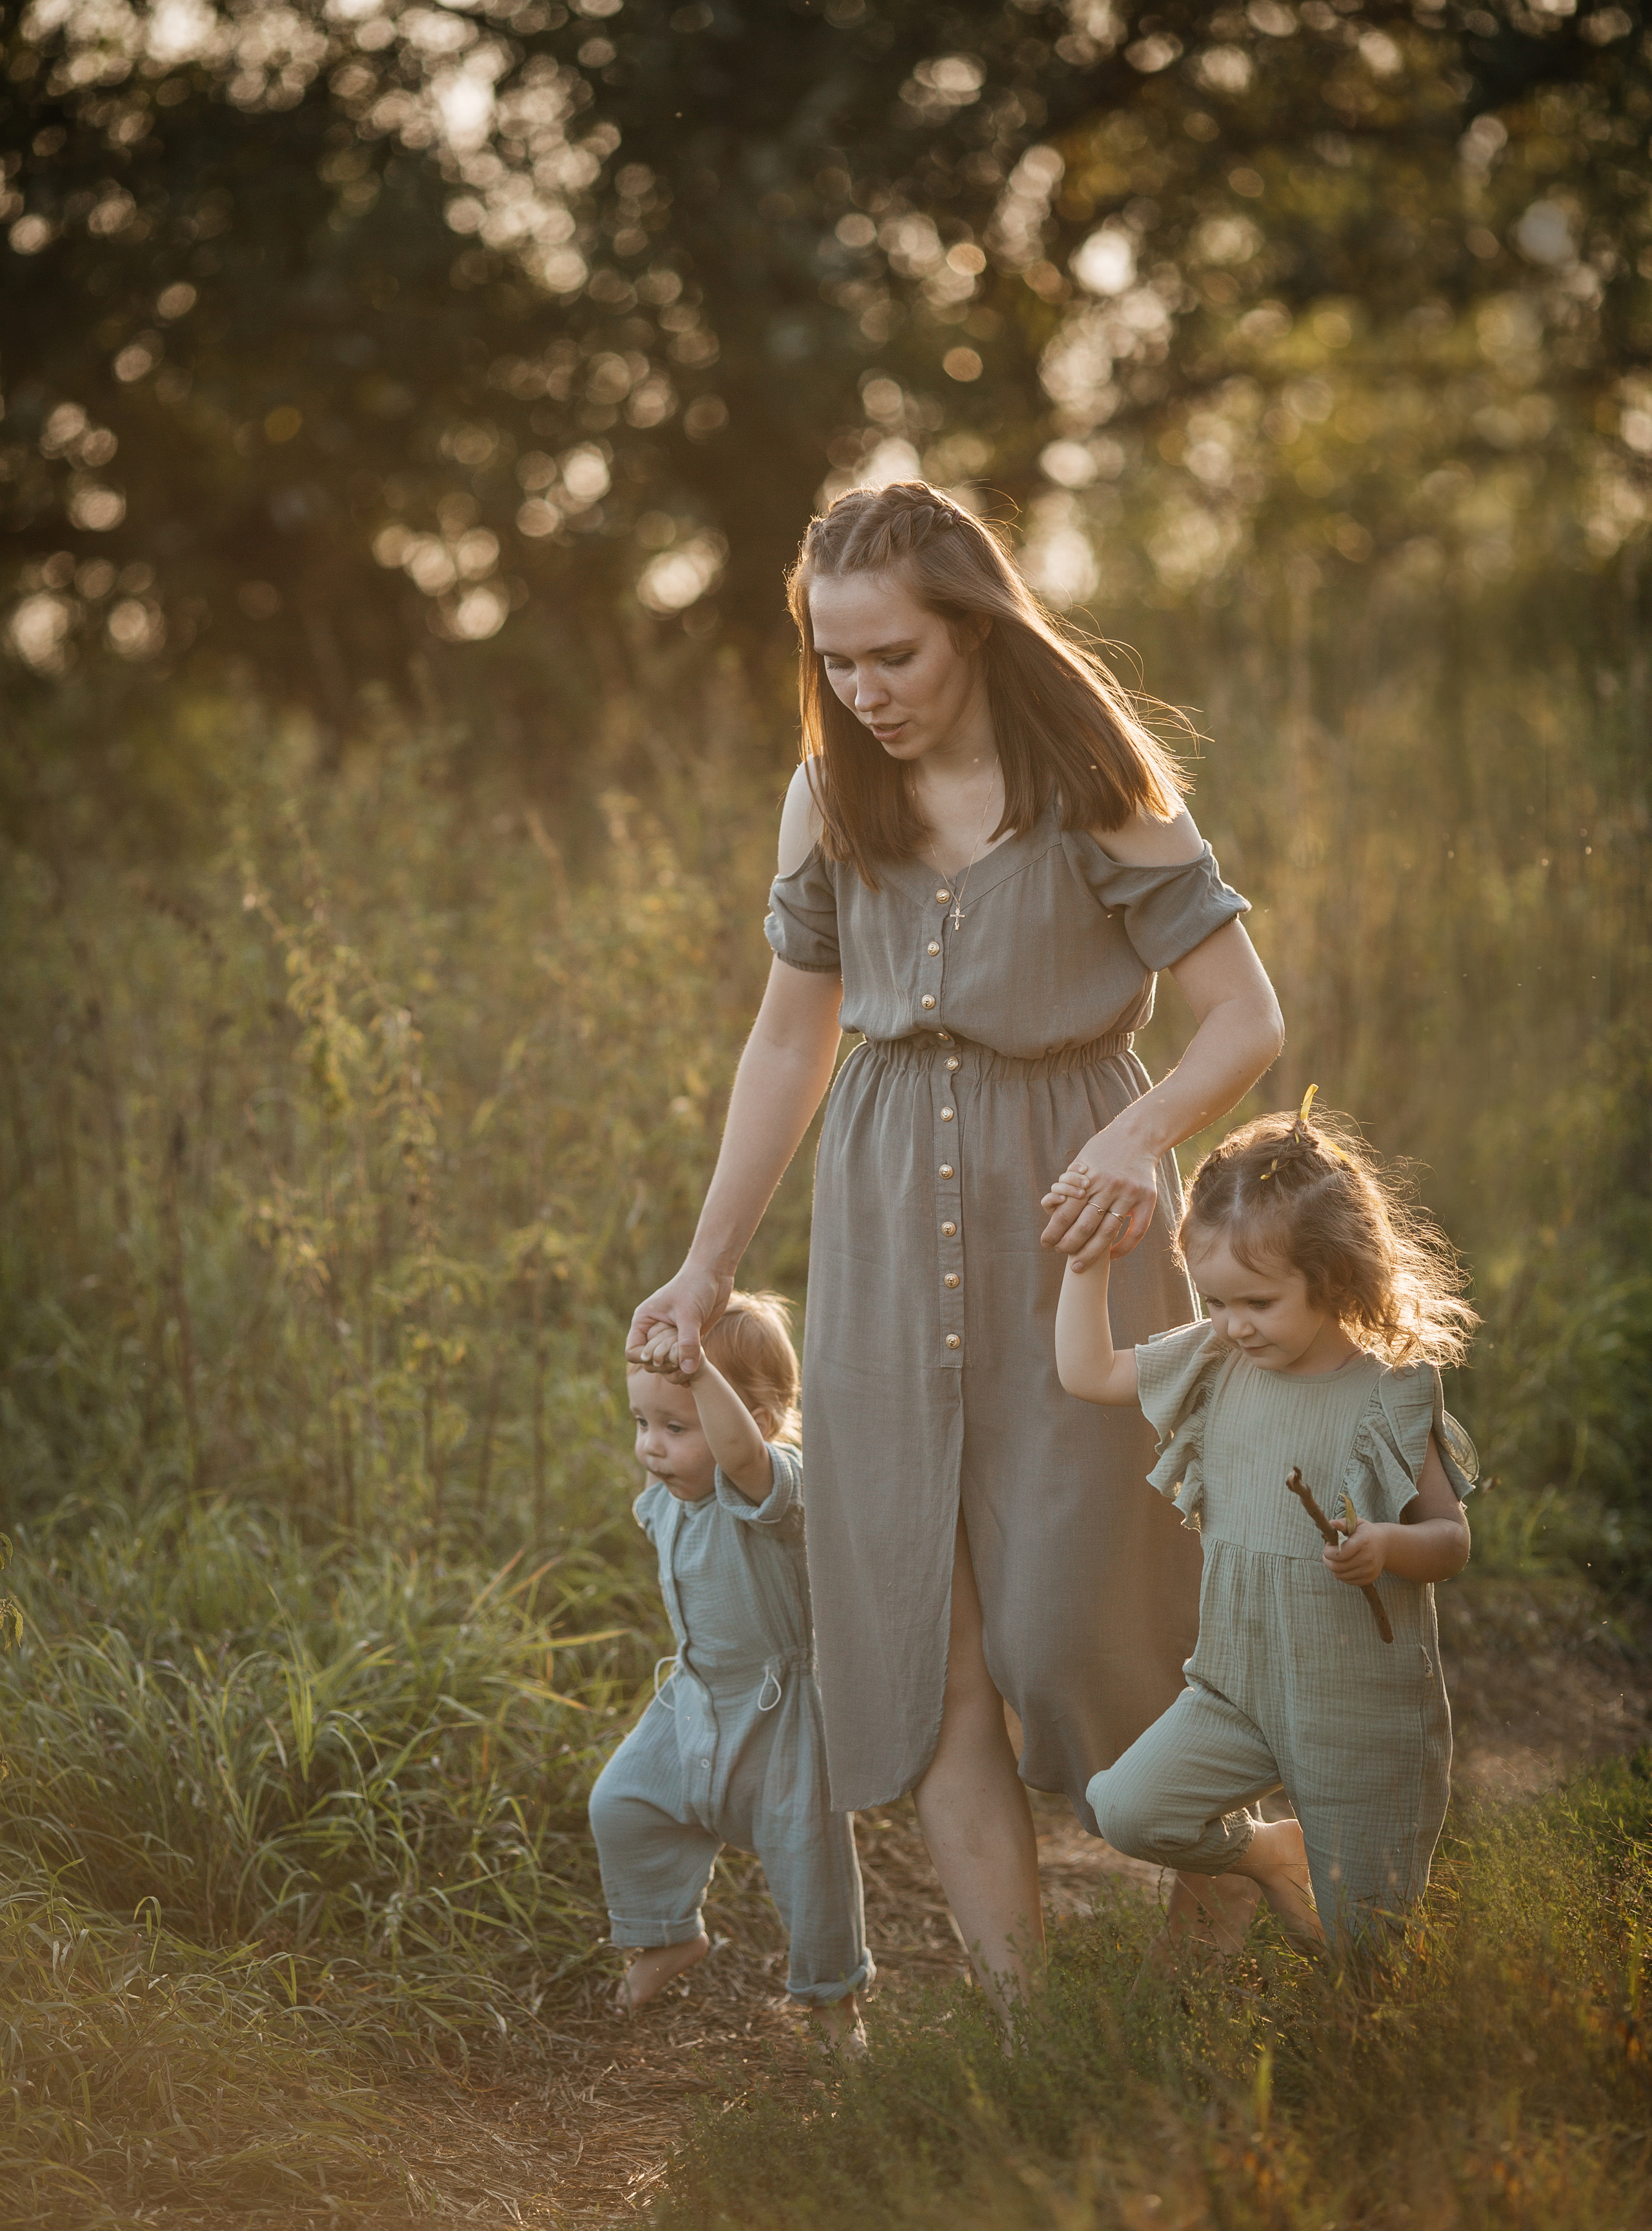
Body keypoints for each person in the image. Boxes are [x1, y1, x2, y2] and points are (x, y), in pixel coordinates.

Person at [628, 480, 1284, 2017]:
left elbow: (1244, 1017)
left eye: (894, 655)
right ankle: (1023, 2035)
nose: (864, 690)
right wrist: (706, 1263)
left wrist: (1132, 1138)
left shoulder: (1095, 785)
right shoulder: (827, 797)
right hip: (875, 1228)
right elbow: (787, 1041)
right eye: (834, 659)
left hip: (1073, 1230)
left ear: (973, 630)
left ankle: (1229, 1862)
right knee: (926, 1644)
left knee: (1081, 1617)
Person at [1053, 1091, 1479, 1952]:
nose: (1232, 1324)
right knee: (1129, 1809)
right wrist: (1086, 1259)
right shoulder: (1215, 1360)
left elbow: (1451, 1541)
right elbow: (1087, 1372)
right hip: (1235, 1689)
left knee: (1368, 1946)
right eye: (1214, 1300)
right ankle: (1270, 1852)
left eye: (1256, 1302)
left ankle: (1365, 2024)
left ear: (1333, 1276)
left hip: (1358, 1709)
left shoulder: (1388, 1392)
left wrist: (1385, 1545)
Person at [590, 1290, 871, 2048]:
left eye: (676, 1427)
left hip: (782, 1711)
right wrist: (667, 1350)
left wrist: (701, 1374)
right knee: (621, 1803)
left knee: (810, 1864)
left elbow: (740, 1455)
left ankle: (833, 2006)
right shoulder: (668, 1491)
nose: (651, 1447)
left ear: (761, 1420)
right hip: (693, 1694)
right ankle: (668, 1936)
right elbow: (674, 1440)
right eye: (642, 1423)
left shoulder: (772, 1489)